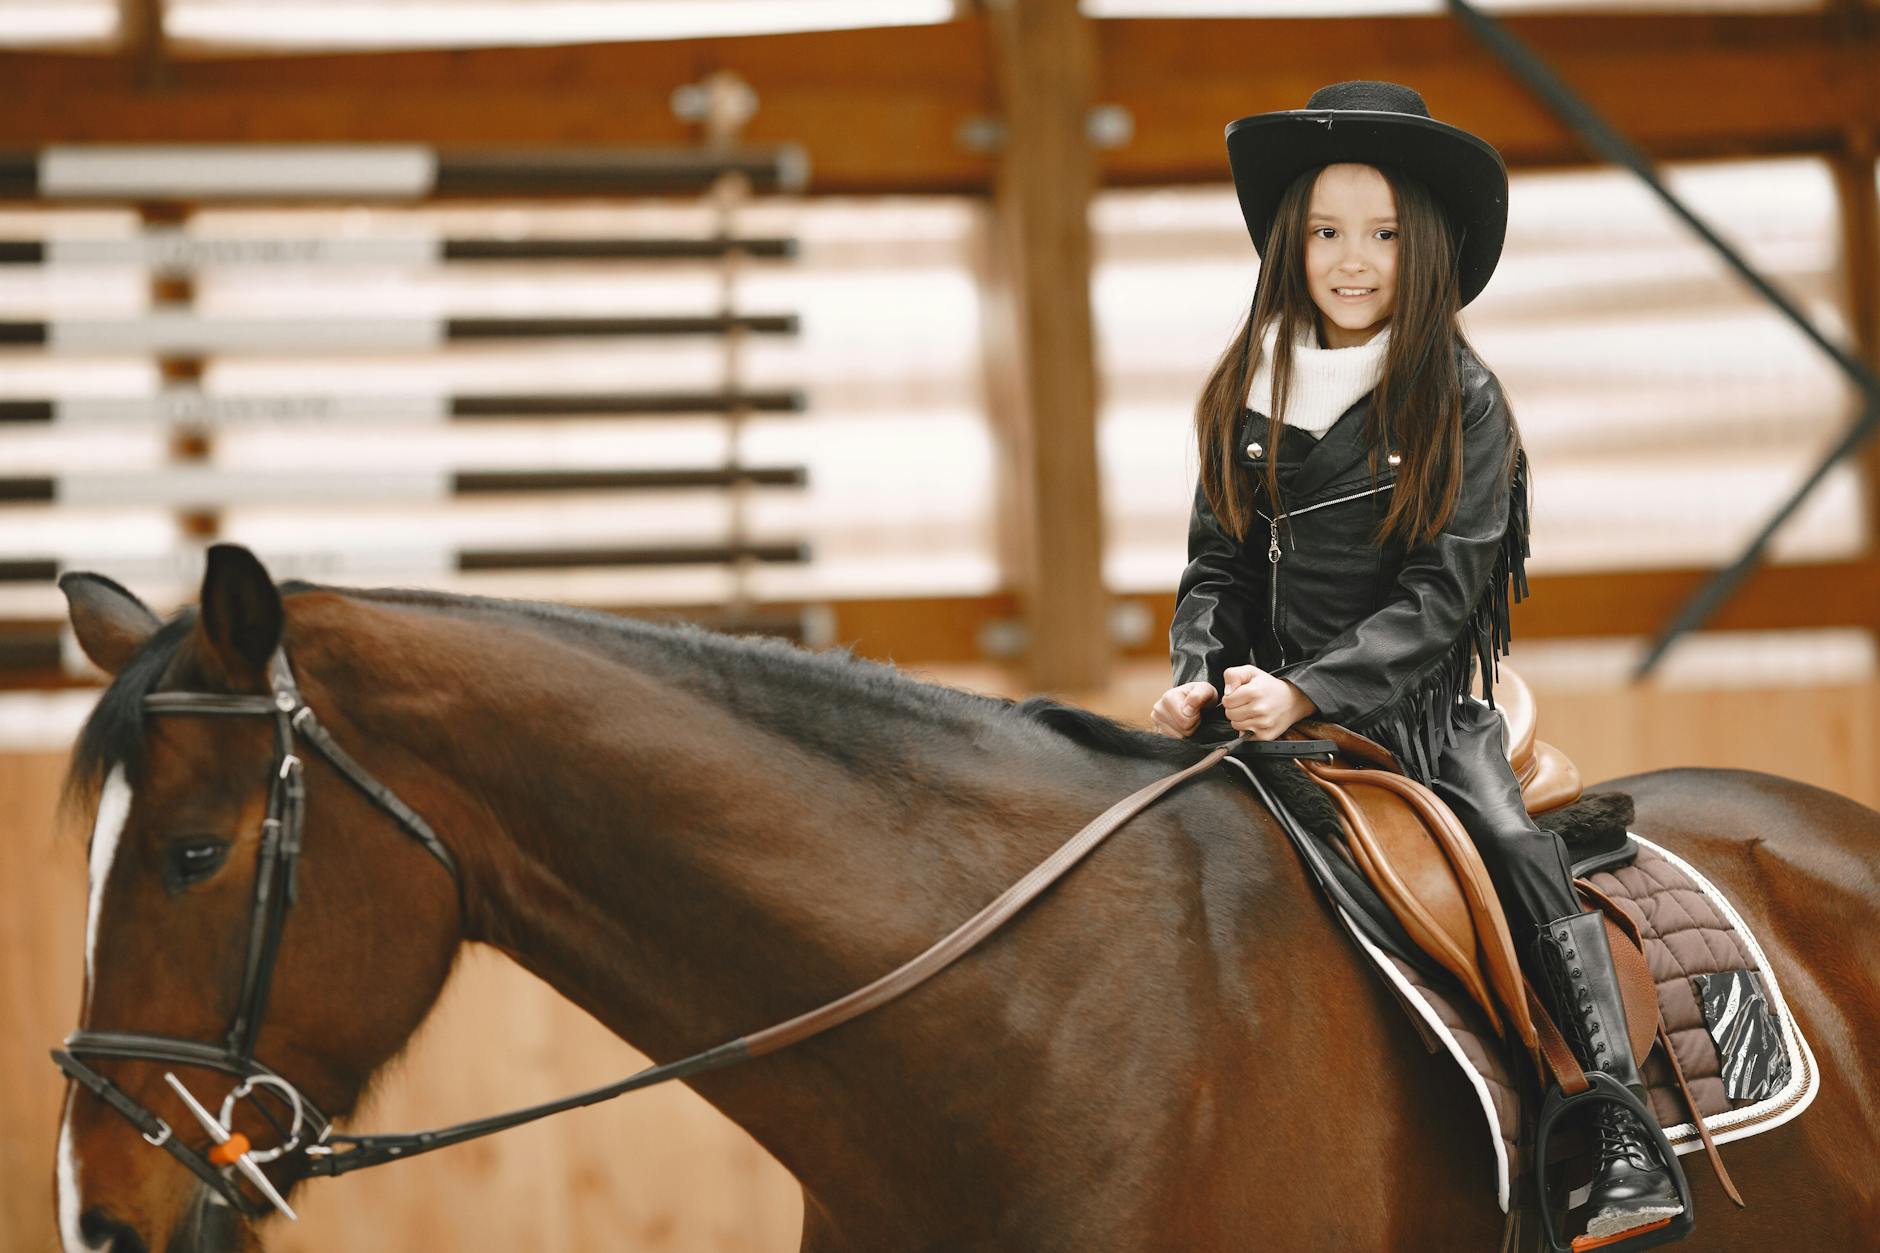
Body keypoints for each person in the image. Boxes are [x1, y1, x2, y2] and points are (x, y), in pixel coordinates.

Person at [1150, 80, 1686, 1245]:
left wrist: (1309, 686)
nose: (1351, 260)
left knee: (1506, 844)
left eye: (1382, 234)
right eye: (1327, 232)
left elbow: (1442, 597)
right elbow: (1216, 566)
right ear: (1291, 243)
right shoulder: (1244, 391)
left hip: (1417, 713)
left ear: (1424, 245)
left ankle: (1613, 1124)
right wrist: (1200, 666)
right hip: (1253, 709)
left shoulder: (1463, 397)